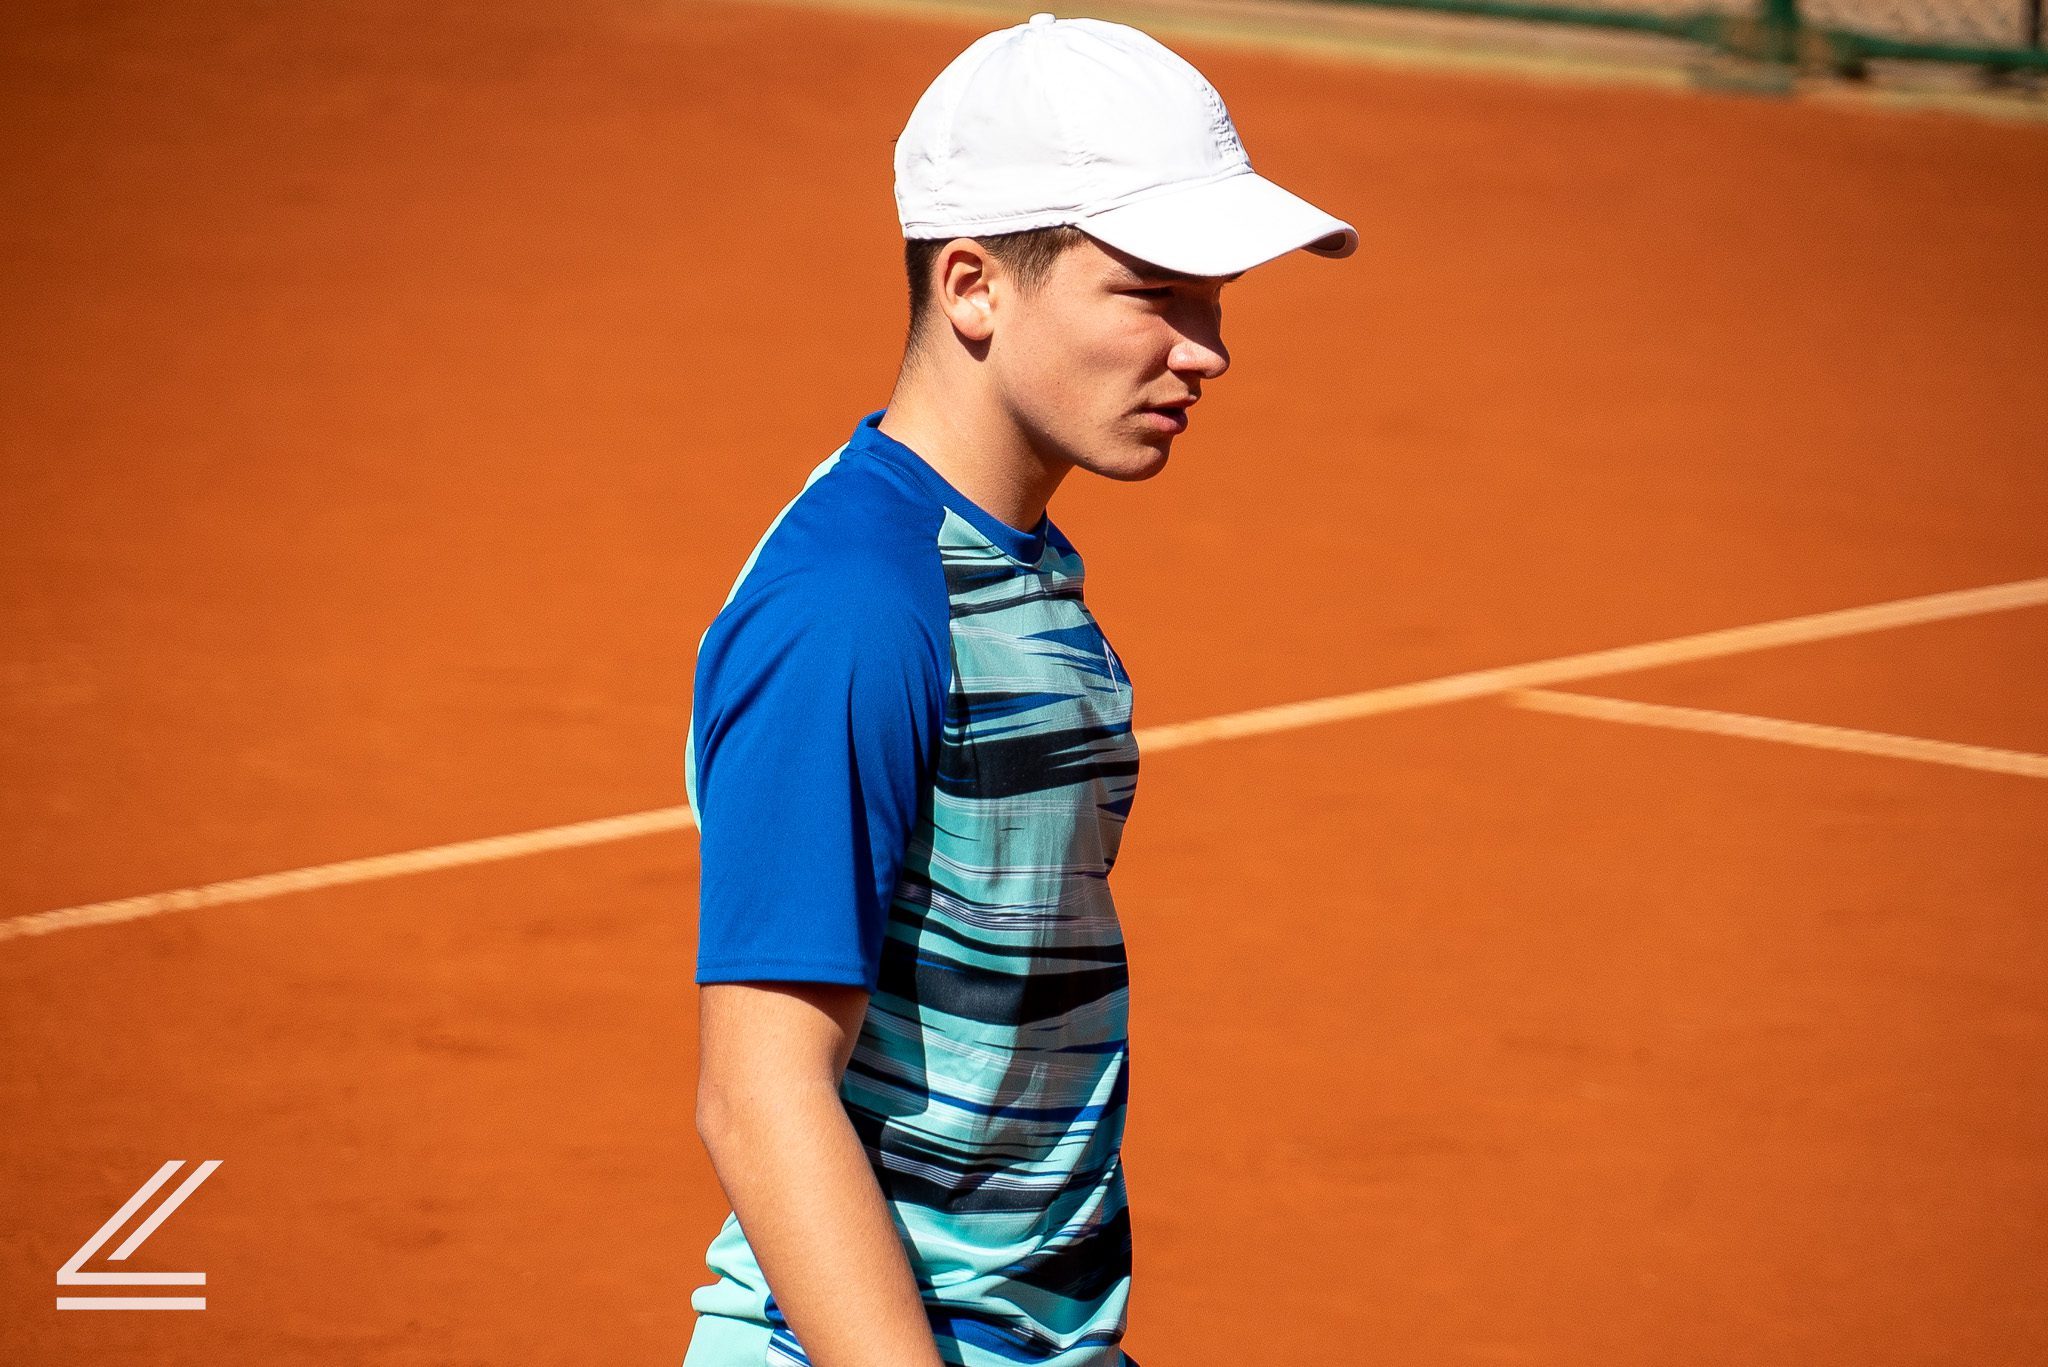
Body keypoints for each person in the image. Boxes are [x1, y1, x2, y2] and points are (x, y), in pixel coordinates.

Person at [680, 14, 1354, 1366]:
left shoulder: (1008, 565)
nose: (1206, 349)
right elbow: (760, 1093)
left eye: (1214, 299)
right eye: (1154, 292)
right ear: (974, 286)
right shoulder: (859, 605)